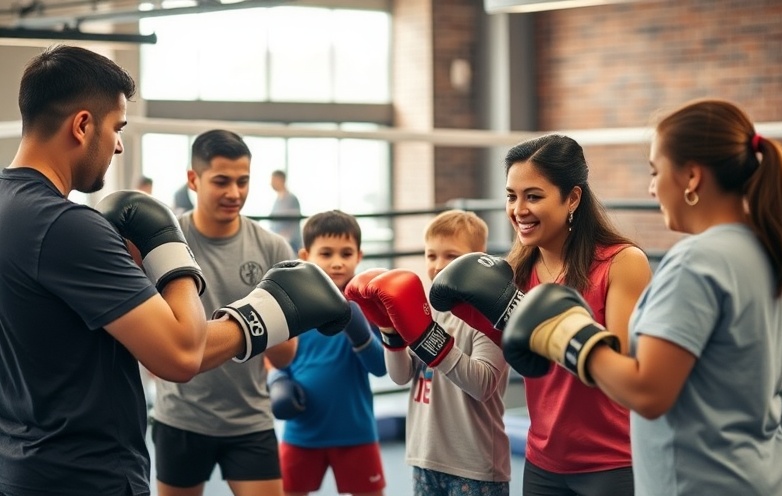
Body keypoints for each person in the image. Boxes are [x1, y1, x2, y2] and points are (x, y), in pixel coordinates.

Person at [0, 44, 351, 496]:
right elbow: (182, 354)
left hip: (22, 465)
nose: (118, 144)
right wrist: (175, 254)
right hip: (85, 475)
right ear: (83, 125)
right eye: (116, 127)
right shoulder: (67, 227)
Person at [503, 99, 782, 495]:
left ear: (691, 177)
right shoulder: (767, 249)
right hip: (757, 474)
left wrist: (568, 333)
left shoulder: (696, 262)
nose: (651, 187)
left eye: (656, 171)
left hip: (699, 480)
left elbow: (647, 392)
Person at [428, 134, 653, 496]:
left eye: (533, 196)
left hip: (611, 462)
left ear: (572, 198)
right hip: (543, 462)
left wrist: (559, 331)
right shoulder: (514, 272)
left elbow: (622, 372)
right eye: (511, 196)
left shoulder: (621, 263)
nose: (518, 210)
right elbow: (523, 357)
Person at [150, 129, 297, 496]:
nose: (234, 193)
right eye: (221, 181)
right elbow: (154, 345)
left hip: (249, 420)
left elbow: (284, 357)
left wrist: (281, 316)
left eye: (242, 181)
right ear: (193, 179)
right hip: (181, 418)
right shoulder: (164, 245)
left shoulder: (273, 248)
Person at [346, 209, 512, 496]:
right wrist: (389, 330)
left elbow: (483, 385)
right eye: (431, 255)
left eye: (451, 255)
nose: (438, 265)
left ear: (476, 259)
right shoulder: (425, 310)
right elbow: (400, 376)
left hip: (475, 464)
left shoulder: (488, 316)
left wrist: (429, 339)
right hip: (425, 456)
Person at [273, 209, 388, 496]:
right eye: (326, 254)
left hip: (355, 430)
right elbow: (277, 360)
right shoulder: (293, 307)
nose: (337, 262)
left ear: (359, 256)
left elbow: (380, 367)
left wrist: (361, 335)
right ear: (305, 255)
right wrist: (277, 382)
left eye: (346, 254)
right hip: (302, 430)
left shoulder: (368, 305)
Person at [270, 169, 302, 253]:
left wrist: (282, 238)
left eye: (273, 180)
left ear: (281, 180)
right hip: (279, 242)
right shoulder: (277, 200)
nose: (271, 183)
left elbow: (293, 222)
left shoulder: (291, 199)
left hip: (290, 243)